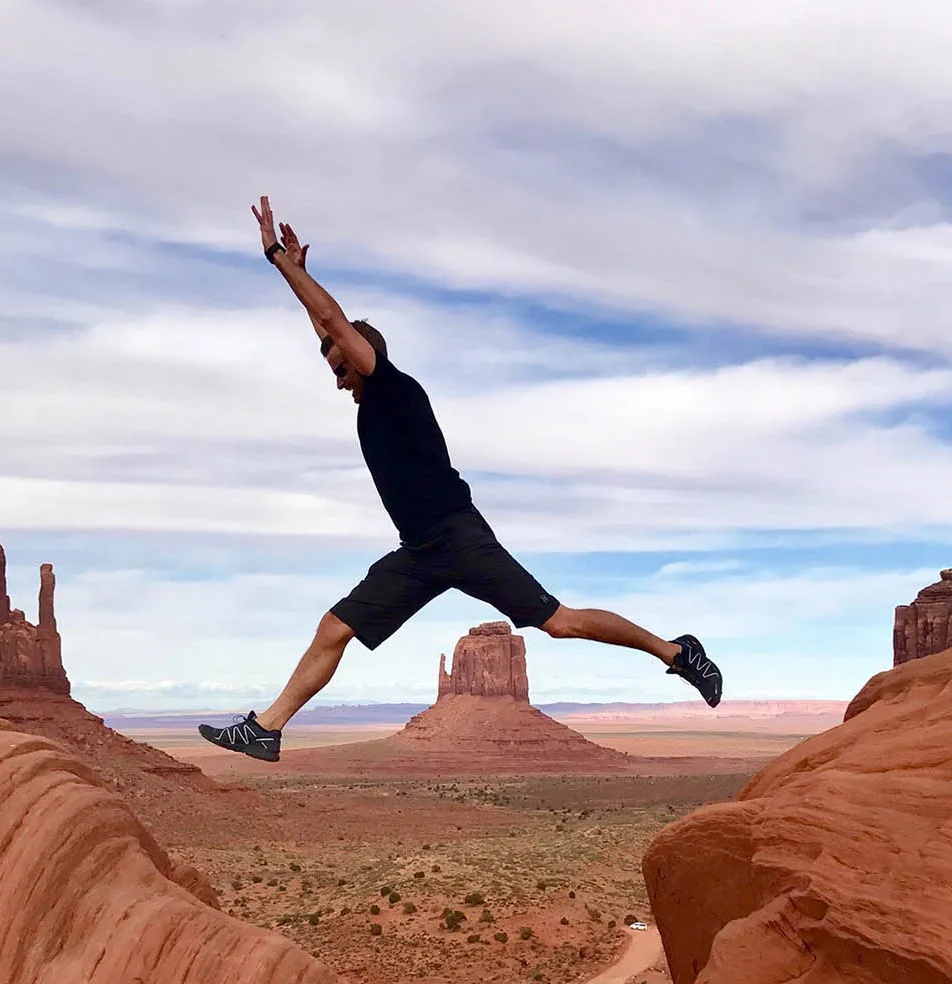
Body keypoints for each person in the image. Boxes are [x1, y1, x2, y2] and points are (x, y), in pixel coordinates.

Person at [198, 197, 723, 762]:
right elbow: (327, 327)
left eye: (342, 366)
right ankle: (267, 728)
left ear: (364, 353)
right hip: (420, 551)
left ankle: (675, 652)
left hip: (459, 538)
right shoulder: (371, 392)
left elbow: (333, 322)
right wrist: (301, 277)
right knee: (334, 628)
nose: (338, 380)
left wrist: (282, 261)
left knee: (560, 623)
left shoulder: (393, 387)